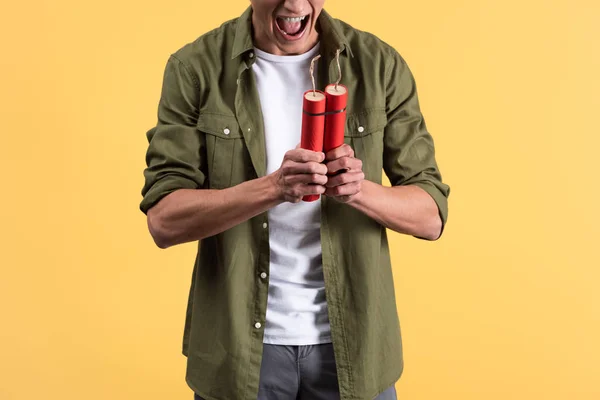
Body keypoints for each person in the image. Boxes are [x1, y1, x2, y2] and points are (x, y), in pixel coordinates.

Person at [139, 0, 450, 399]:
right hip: (238, 352)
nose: (294, 4)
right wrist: (273, 188)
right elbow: (165, 221)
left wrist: (358, 190)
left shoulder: (378, 65)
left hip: (355, 348)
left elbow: (431, 217)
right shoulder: (196, 67)